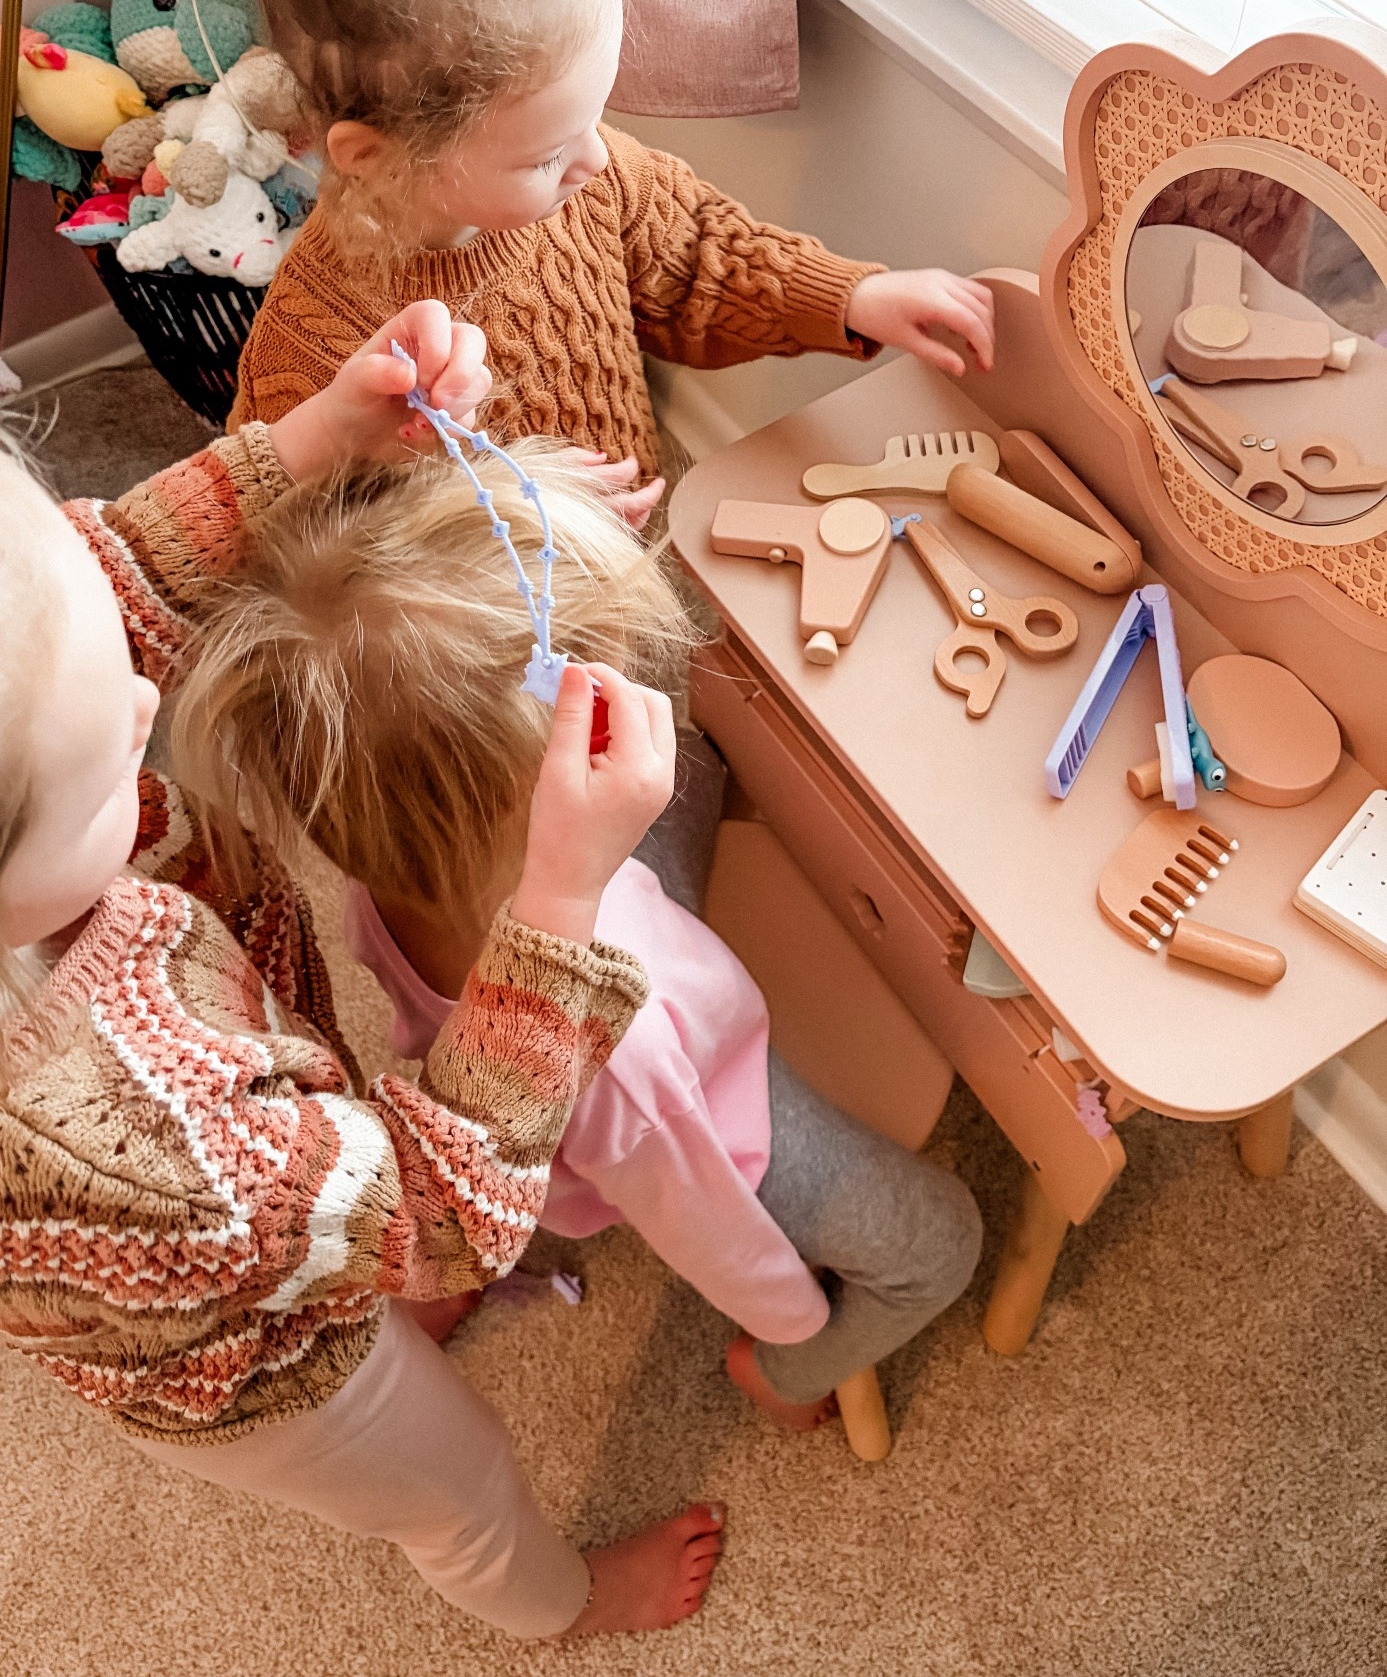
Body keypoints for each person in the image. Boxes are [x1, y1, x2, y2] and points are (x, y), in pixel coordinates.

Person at [0, 302, 724, 1639]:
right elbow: (442, 1216)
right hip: (253, 1364)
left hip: (263, 1161)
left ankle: (339, 1258)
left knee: (340, 1222)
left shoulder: (39, 737)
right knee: (453, 1484)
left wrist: (303, 444)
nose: (153, 701)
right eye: (113, 755)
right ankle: (555, 1608)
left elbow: (88, 588)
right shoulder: (136, 1137)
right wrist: (556, 897)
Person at [170, 406, 984, 1437]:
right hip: (711, 1111)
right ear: (537, 803)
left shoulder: (391, 872)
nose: (633, 681)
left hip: (571, 1014)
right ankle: (778, 1374)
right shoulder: (625, 1053)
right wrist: (786, 1320)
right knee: (939, 1244)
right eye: (597, 681)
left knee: (696, 767)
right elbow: (705, 1223)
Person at [179, 0, 997, 496]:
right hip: (514, 621)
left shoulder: (590, 187)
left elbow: (699, 260)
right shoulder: (314, 356)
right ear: (375, 155)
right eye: (543, 155)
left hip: (632, 576)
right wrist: (534, 524)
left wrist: (856, 296)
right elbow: (327, 581)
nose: (597, 161)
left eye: (591, 119)